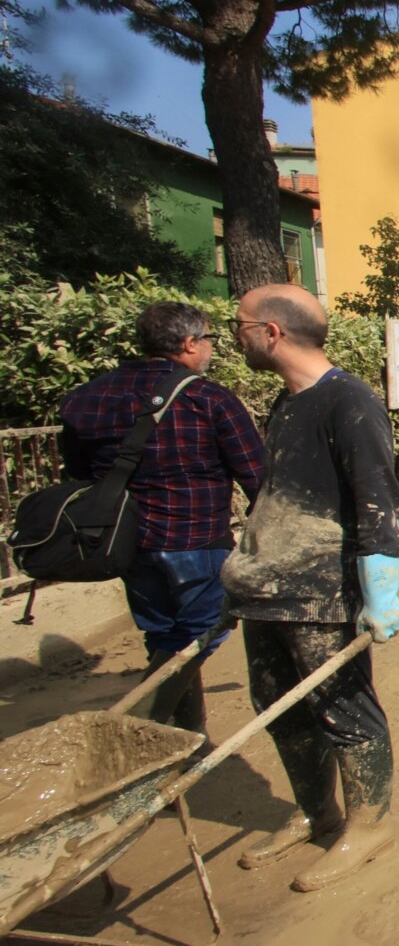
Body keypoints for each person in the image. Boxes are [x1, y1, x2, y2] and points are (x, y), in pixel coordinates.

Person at [221, 283, 399, 892]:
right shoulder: (287, 403)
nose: (236, 334)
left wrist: (380, 593)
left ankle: (371, 822)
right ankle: (314, 810)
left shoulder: (349, 402)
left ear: (271, 332)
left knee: (342, 708)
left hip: (322, 591)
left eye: (241, 325)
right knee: (277, 704)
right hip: (269, 586)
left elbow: (377, 500)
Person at [58, 302, 265, 731]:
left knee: (164, 637)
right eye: (208, 339)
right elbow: (258, 477)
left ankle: (183, 740)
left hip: (127, 543)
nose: (210, 348)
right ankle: (141, 726)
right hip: (196, 541)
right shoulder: (209, 399)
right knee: (200, 634)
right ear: (189, 343)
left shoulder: (86, 398)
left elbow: (78, 475)